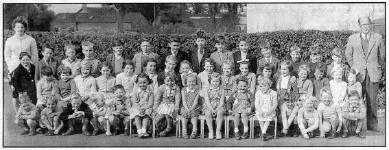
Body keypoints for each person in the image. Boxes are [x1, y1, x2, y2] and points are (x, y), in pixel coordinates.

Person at [345, 16, 385, 131]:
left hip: (373, 74)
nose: (366, 27)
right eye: (363, 25)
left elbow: (382, 55)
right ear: (359, 26)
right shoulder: (352, 38)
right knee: (355, 100)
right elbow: (348, 54)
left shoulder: (378, 37)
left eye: (368, 25)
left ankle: (372, 126)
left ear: (370, 25)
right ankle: (354, 126)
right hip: (358, 75)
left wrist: (377, 66)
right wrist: (354, 68)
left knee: (372, 101)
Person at [154, 72, 181, 137]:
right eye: (168, 81)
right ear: (164, 81)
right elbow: (157, 98)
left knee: (168, 115)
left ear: (174, 80)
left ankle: (168, 128)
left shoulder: (176, 88)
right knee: (160, 116)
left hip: (172, 105)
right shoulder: (162, 87)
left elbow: (177, 99)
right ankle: (156, 127)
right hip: (163, 104)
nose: (170, 83)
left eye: (172, 81)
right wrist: (155, 107)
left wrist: (176, 107)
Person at [128, 73, 154, 138]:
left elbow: (150, 103)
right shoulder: (136, 92)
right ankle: (139, 131)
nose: (142, 84)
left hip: (147, 107)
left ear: (148, 82)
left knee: (146, 115)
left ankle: (144, 130)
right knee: (137, 116)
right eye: (140, 83)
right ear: (137, 83)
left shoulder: (150, 92)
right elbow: (135, 102)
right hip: (138, 107)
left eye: (144, 82)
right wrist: (139, 108)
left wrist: (144, 108)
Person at [203, 73, 225, 140]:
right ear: (210, 81)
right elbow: (207, 101)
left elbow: (222, 102)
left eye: (217, 81)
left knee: (220, 112)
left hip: (218, 106)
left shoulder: (222, 90)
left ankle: (218, 130)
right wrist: (212, 109)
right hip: (209, 106)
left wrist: (217, 109)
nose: (215, 83)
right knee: (207, 112)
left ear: (219, 82)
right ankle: (211, 131)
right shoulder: (207, 90)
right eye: (213, 81)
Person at [180, 74, 201, 139]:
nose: (191, 83)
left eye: (193, 81)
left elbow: (196, 102)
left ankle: (194, 130)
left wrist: (191, 108)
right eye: (189, 81)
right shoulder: (183, 90)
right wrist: (187, 108)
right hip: (185, 106)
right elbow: (184, 101)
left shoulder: (197, 90)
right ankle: (184, 130)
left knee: (194, 115)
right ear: (186, 82)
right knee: (184, 114)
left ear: (195, 82)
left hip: (194, 107)